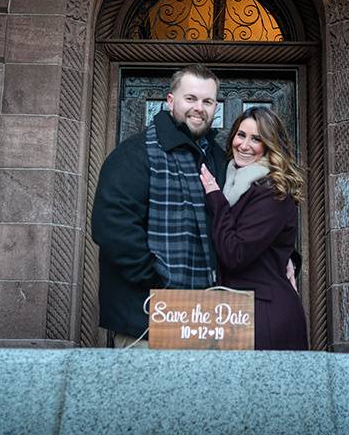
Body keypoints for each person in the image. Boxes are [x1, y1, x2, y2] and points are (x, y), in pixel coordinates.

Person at [92, 64, 227, 349]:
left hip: (210, 319)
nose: (198, 108)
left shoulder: (219, 158)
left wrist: (287, 256)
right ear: (170, 101)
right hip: (146, 321)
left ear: (215, 106)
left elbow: (246, 218)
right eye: (190, 98)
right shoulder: (134, 154)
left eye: (207, 101)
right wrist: (156, 279)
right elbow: (112, 227)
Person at [199, 106, 309, 350]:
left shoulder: (272, 193)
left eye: (256, 139)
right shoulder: (233, 181)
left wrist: (215, 199)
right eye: (241, 135)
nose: (245, 145)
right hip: (238, 311)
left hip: (266, 315)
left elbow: (235, 254)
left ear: (270, 146)